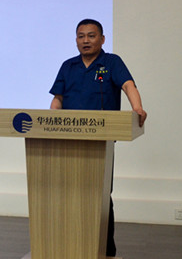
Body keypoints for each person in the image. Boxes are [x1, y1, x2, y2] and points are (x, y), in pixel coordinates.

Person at [49, 18, 147, 257]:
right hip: (69, 141)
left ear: (102, 39)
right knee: (69, 193)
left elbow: (128, 86)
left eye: (91, 36)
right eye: (81, 36)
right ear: (76, 40)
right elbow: (58, 99)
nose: (86, 40)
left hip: (101, 141)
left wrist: (137, 108)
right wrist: (50, 123)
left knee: (100, 196)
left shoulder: (111, 62)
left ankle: (104, 249)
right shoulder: (68, 66)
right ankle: (69, 245)